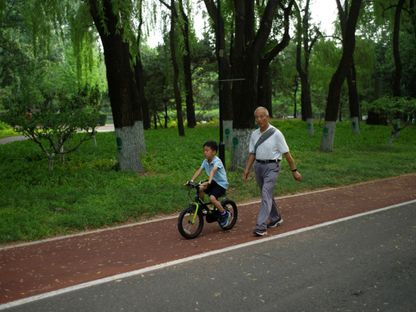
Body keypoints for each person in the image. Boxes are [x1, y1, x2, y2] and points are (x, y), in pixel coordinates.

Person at [243, 107, 302, 236]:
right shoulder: (254, 134)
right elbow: (252, 153)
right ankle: (275, 218)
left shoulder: (276, 134)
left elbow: (287, 155)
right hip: (258, 167)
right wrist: (247, 169)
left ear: (267, 117)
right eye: (257, 117)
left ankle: (261, 227)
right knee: (267, 194)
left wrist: (294, 171)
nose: (259, 119)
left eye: (262, 116)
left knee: (265, 193)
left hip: (272, 167)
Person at [189, 140, 231, 227]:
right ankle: (203, 207)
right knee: (199, 188)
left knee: (212, 198)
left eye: (207, 150)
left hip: (221, 184)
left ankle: (224, 214)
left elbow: (213, 171)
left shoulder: (217, 161)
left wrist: (209, 181)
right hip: (212, 182)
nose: (205, 152)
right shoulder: (205, 161)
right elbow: (199, 170)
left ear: (214, 152)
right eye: (204, 150)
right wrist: (191, 180)